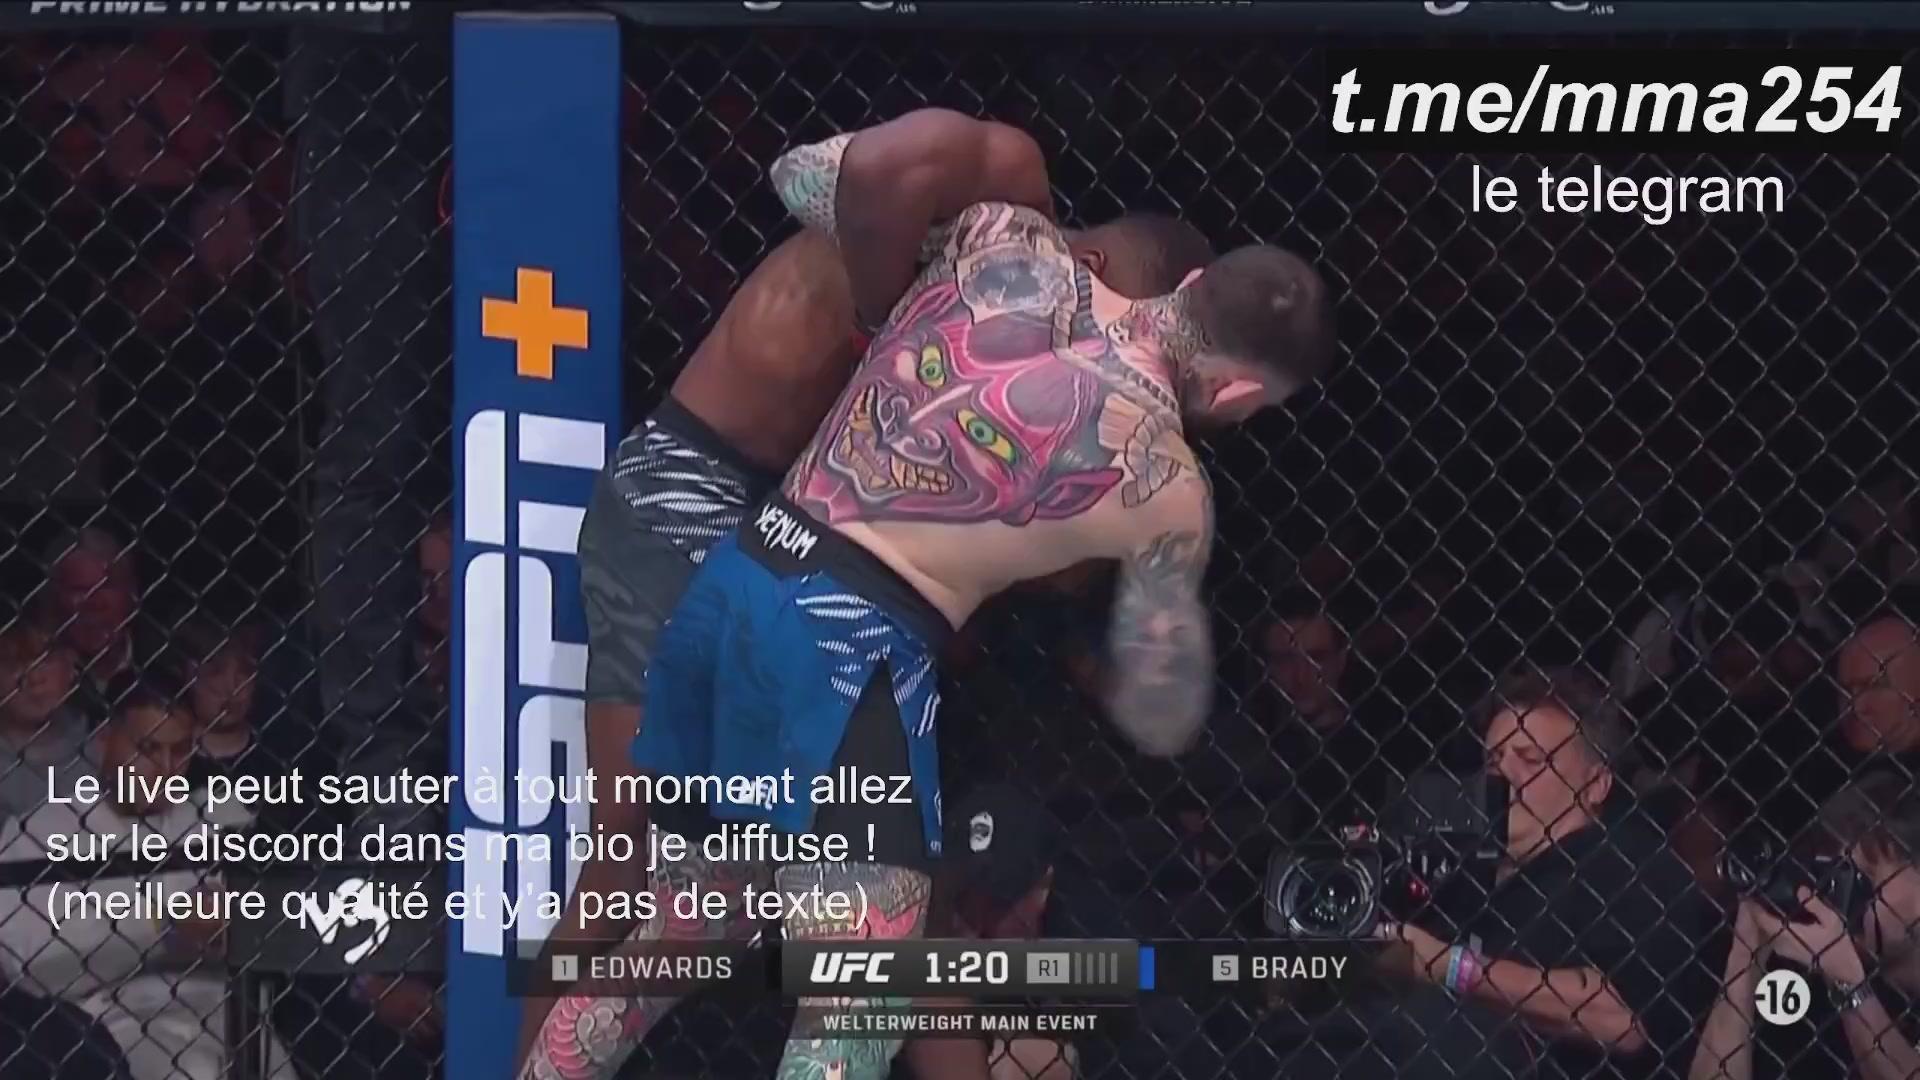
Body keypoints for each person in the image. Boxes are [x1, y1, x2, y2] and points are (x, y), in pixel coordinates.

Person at [608, 106, 1328, 1080]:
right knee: (863, 987)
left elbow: (804, 174)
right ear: (1243, 395)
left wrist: (896, 302)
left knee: (690, 914)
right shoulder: (1169, 482)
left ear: (1194, 287)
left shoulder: (1000, 239)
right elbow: (1158, 708)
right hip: (850, 628)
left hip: (750, 566)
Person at [1373, 665, 1718, 1079]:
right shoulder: (1465, 874)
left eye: (1531, 759)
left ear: (1596, 784)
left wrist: (1451, 966)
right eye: (1494, 759)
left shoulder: (1628, 863)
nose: (1504, 773)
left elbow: (1621, 1020)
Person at [0, 677, 293, 1080]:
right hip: (108, 1022)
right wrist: (161, 926)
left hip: (224, 1008)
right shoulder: (43, 830)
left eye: (180, 750)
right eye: (148, 749)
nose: (166, 769)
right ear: (105, 740)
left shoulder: (223, 816)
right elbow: (29, 967)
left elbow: (280, 928)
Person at [1689, 771, 1920, 1080]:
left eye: (1865, 877)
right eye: (1837, 877)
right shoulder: (1803, 988)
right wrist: (1746, 955)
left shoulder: (1842, 978)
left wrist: (1849, 985)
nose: (1847, 897)